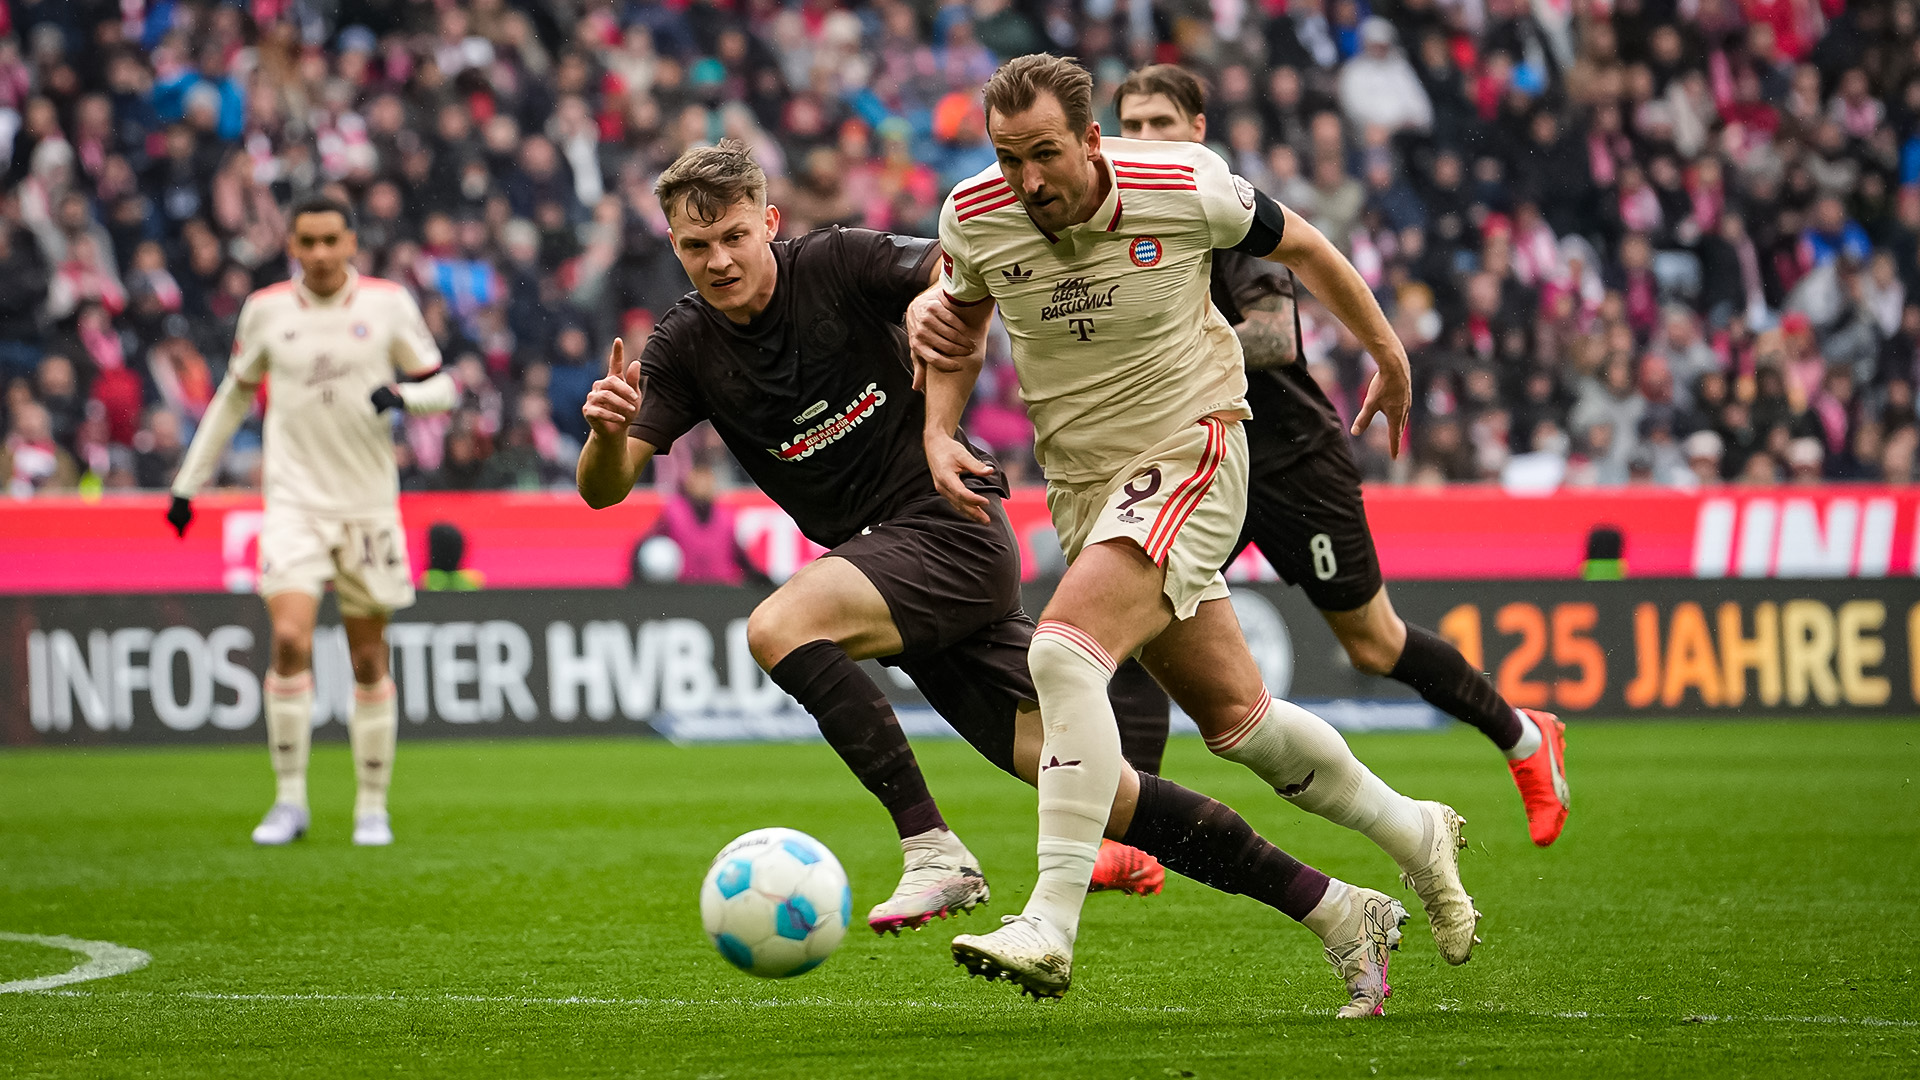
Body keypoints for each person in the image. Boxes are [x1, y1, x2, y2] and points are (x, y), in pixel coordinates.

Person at [575, 141, 1404, 1016]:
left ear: (769, 222)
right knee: (1105, 795)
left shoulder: (836, 263)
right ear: (673, 247)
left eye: (734, 236)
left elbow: (949, 273)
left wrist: (935, 302)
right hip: (887, 567)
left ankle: (932, 848)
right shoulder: (682, 347)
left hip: (949, 527)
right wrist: (604, 434)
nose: (718, 261)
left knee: (779, 626)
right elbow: (606, 489)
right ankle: (1339, 910)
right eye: (695, 247)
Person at [909, 54, 1471, 1005]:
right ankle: (1408, 842)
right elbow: (957, 328)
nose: (1030, 179)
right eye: (1010, 158)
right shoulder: (975, 216)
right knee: (1241, 726)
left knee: (1062, 654)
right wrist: (935, 429)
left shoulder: (1184, 184)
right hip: (1087, 490)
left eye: (1046, 153)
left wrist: (1388, 355)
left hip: (1193, 449)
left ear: (1093, 140)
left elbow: (1310, 250)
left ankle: (1050, 919)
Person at [1103, 65, 1571, 865]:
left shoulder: (1224, 210)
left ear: (1199, 128)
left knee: (1373, 645)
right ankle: (1135, 839)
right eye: (1131, 126)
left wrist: (1169, 346)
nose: (1145, 140)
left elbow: (1278, 336)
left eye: (1160, 123)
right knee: (1142, 619)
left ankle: (1525, 734)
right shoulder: (1118, 227)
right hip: (1199, 459)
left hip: (1289, 459)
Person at [166, 194, 455, 848]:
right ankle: (289, 800)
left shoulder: (387, 304)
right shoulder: (266, 311)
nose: (321, 253)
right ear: (291, 246)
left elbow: (444, 388)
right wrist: (189, 483)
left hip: (368, 508)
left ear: (352, 242)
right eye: (308, 242)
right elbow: (232, 396)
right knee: (291, 639)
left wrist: (403, 396)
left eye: (331, 240)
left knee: (367, 656)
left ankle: (371, 807)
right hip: (293, 504)